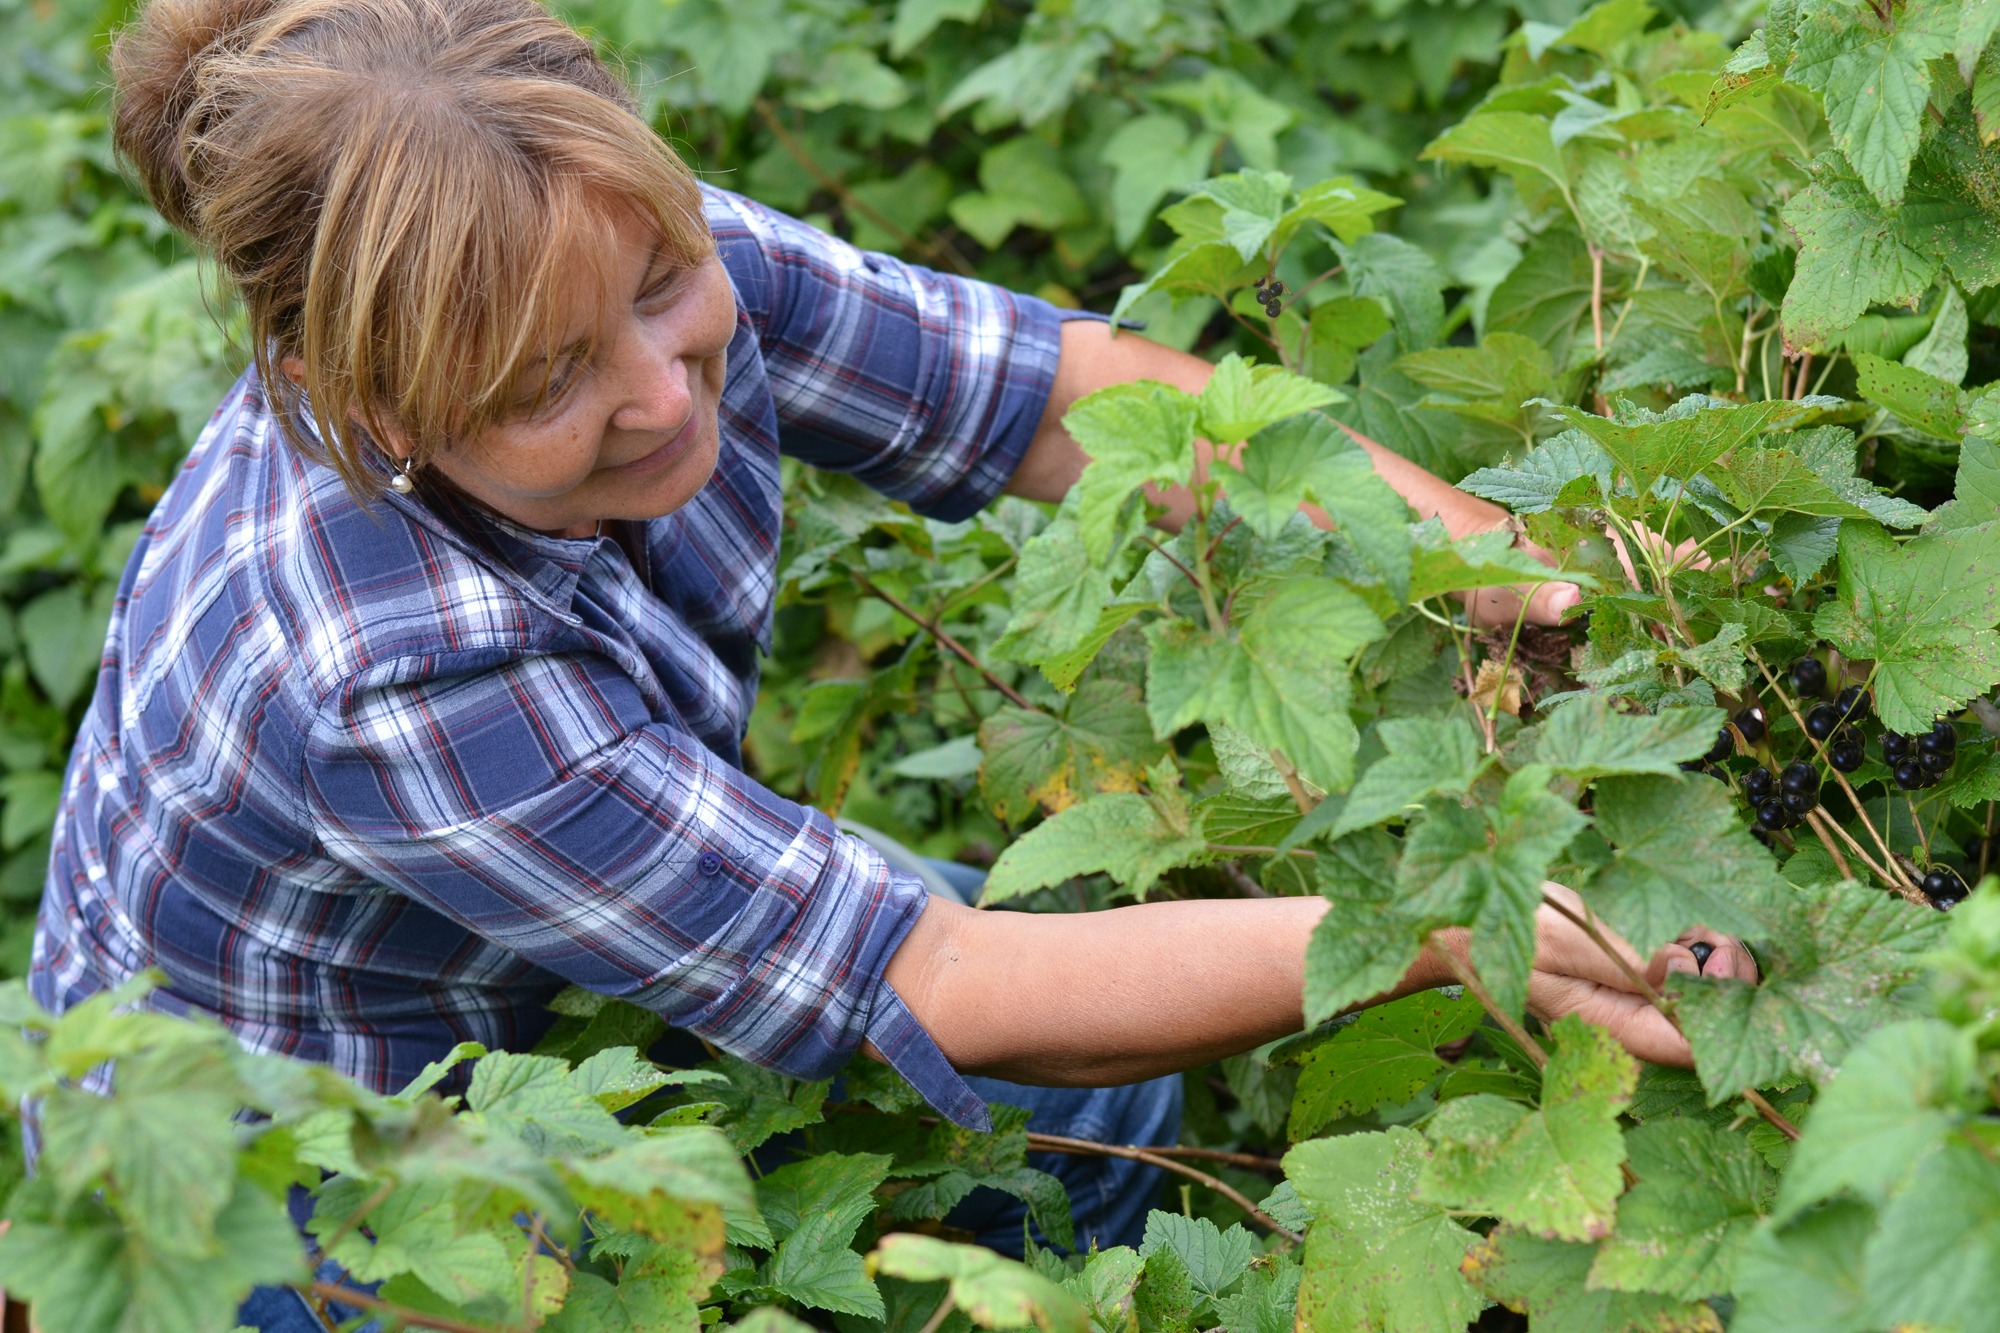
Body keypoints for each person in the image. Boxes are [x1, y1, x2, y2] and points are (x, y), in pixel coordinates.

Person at [27, 0, 1756, 1321]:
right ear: (371, 404)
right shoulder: (382, 670)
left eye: (665, 287)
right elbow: (939, 982)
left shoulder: (585, 236)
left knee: (1115, 1078)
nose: (660, 387)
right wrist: (1458, 922)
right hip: (284, 1171)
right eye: (545, 386)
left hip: (535, 961)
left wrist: (1512, 570)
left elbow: (1054, 401)